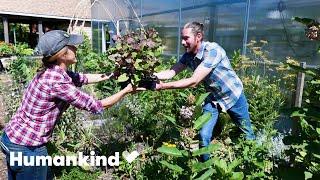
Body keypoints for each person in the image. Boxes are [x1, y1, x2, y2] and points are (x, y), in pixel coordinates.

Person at [0, 30, 143, 179]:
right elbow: (97, 106)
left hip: (12, 138)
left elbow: (84, 78)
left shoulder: (54, 72)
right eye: (73, 46)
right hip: (27, 147)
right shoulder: (57, 82)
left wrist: (112, 75)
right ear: (62, 54)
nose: (77, 48)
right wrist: (126, 90)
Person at [154, 22, 255, 161]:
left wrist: (163, 86)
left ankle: (255, 162)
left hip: (232, 96)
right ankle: (205, 168)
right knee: (203, 135)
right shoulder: (188, 55)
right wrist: (151, 76)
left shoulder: (212, 51)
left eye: (186, 38)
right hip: (213, 99)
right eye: (182, 38)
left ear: (198, 36)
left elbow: (194, 81)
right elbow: (171, 72)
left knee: (247, 132)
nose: (183, 42)